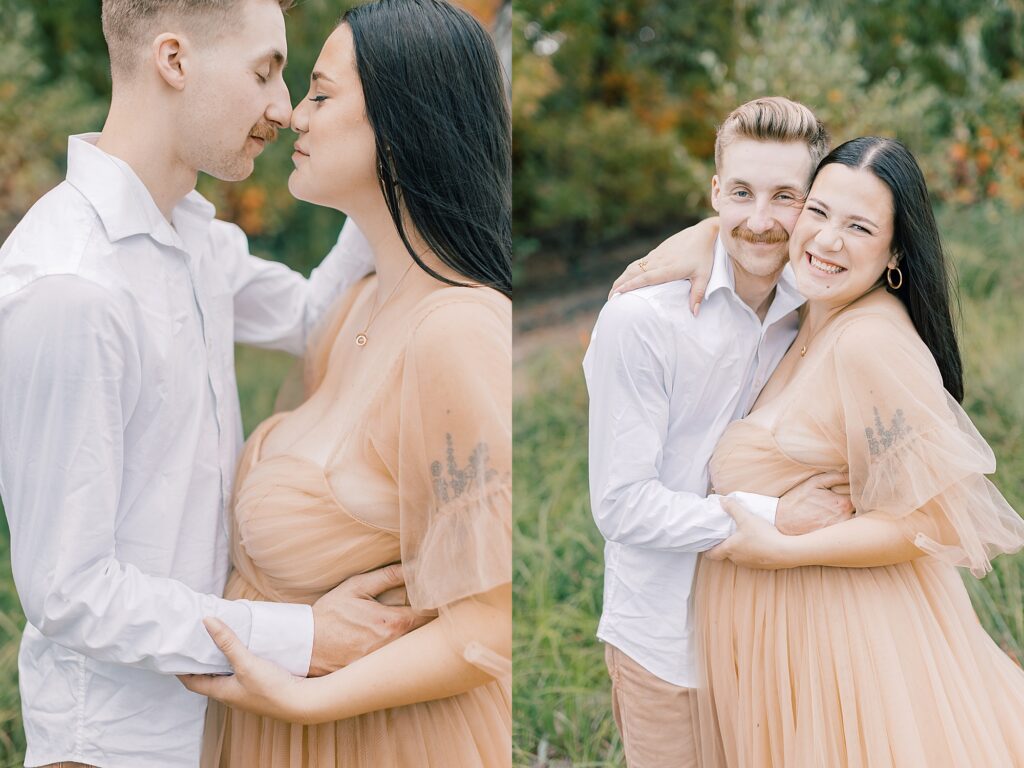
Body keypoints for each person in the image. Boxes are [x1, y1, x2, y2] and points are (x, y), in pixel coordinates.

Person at [0, 0, 425, 765]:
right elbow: (68, 591)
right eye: (264, 70)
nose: (283, 106)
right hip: (117, 745)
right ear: (173, 61)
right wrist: (305, 637)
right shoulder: (69, 286)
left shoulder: (190, 230)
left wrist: (380, 167)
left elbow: (308, 317)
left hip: (225, 720)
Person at [617, 137, 1024, 766]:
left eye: (859, 226)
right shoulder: (809, 308)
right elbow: (755, 217)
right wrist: (702, 236)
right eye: (819, 211)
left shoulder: (869, 342)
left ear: (895, 253)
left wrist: (785, 548)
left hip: (845, 652)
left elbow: (932, 520)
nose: (828, 239)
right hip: (782, 650)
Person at [177, 1, 512, 766]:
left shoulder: (457, 332)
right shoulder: (351, 311)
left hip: (381, 740)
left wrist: (304, 697)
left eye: (322, 95)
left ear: (403, 121)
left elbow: (492, 622)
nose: (295, 114)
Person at [582, 97, 856, 768]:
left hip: (777, 635)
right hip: (667, 643)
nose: (759, 221)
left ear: (812, 204)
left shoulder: (815, 304)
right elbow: (620, 505)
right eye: (740, 194)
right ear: (715, 193)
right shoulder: (642, 321)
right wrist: (776, 517)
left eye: (785, 197)